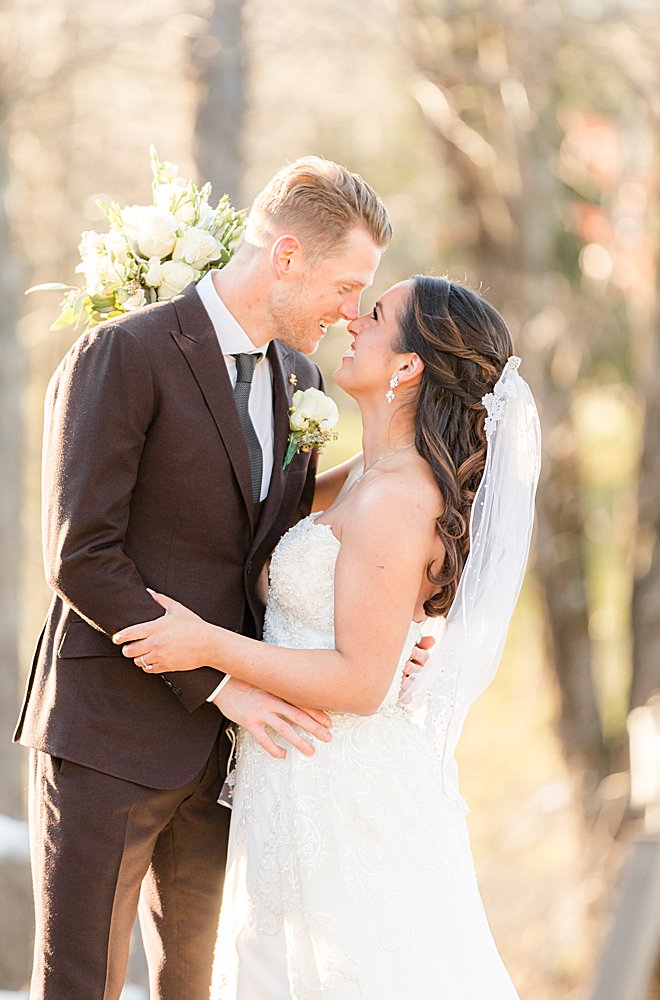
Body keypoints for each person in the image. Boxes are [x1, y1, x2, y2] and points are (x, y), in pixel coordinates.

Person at [15, 157, 407, 999]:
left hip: (229, 768)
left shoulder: (299, 383)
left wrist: (377, 639)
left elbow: (270, 551)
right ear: (288, 255)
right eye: (347, 286)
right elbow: (81, 554)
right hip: (109, 738)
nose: (351, 313)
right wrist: (222, 682)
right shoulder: (126, 351)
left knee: (197, 987)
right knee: (80, 985)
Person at [115, 276, 539, 999]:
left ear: (407, 367)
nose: (352, 319)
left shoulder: (399, 496)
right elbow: (245, 513)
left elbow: (359, 683)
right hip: (294, 776)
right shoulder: (366, 473)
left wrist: (206, 644)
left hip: (343, 793)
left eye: (373, 316)